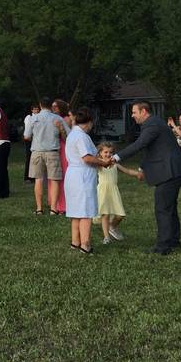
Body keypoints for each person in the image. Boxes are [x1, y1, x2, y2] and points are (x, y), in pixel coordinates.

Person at [112, 101, 181, 255]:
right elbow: (151, 148)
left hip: (170, 171)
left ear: (144, 111)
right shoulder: (154, 124)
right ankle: (173, 240)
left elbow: (139, 144)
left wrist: (115, 157)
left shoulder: (152, 124)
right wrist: (142, 167)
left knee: (163, 209)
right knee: (169, 208)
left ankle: (163, 246)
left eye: (134, 112)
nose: (132, 116)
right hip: (173, 170)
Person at [64, 108, 109, 254]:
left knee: (75, 211)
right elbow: (87, 158)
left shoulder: (72, 134)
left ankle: (75, 242)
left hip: (72, 174)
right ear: (89, 122)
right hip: (82, 176)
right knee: (85, 211)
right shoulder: (82, 136)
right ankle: (85, 244)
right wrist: (103, 163)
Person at [94, 142, 142, 245]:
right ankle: (106, 237)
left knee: (120, 214)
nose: (108, 154)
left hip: (113, 191)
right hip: (103, 191)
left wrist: (137, 173)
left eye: (110, 152)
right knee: (105, 214)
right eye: (105, 152)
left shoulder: (114, 164)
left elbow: (127, 171)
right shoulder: (99, 164)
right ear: (100, 153)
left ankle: (112, 226)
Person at [25, 97, 66, 214]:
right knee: (54, 180)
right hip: (52, 152)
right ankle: (53, 209)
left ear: (40, 105)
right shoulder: (58, 119)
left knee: (38, 179)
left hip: (37, 151)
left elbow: (26, 136)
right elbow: (67, 137)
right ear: (51, 106)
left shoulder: (33, 118)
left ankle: (39, 209)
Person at [52, 100, 72, 215]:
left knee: (63, 176)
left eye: (56, 106)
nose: (53, 108)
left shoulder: (66, 119)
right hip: (55, 148)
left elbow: (67, 138)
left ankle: (63, 205)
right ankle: (55, 203)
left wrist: (60, 128)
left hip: (64, 148)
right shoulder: (52, 118)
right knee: (54, 176)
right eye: (52, 106)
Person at [22, 103, 40, 183]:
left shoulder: (39, 117)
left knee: (35, 158)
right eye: (34, 109)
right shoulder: (29, 117)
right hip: (29, 139)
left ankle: (34, 176)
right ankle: (27, 177)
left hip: (36, 139)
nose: (36, 110)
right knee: (29, 157)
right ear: (32, 110)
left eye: (37, 109)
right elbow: (27, 129)